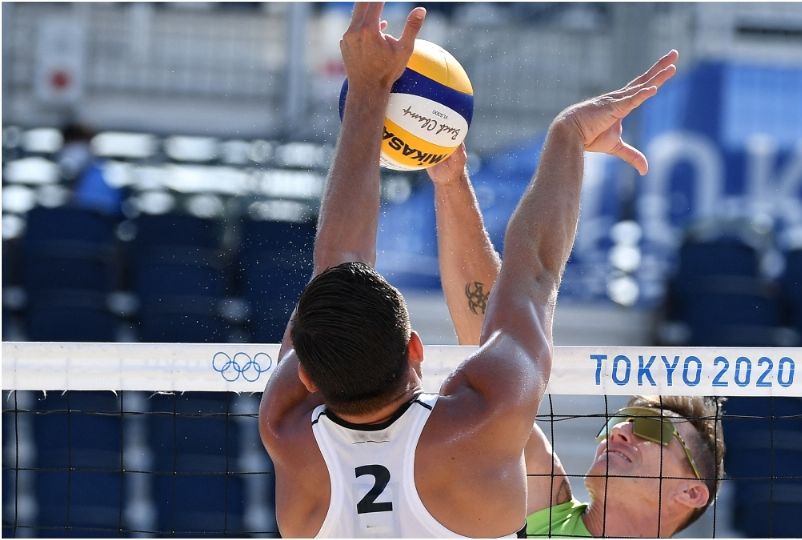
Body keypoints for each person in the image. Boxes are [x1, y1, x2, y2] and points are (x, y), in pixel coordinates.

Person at [258, 2, 675, 536]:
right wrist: (568, 135)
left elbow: (340, 264)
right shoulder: (479, 420)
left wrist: (366, 91)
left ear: (308, 376)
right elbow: (534, 272)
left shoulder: (284, 429)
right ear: (416, 348)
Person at [427, 51, 726, 538]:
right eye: (626, 419)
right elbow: (494, 343)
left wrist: (570, 135)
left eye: (652, 429)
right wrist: (451, 182)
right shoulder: (551, 511)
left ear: (692, 493)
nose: (620, 431)